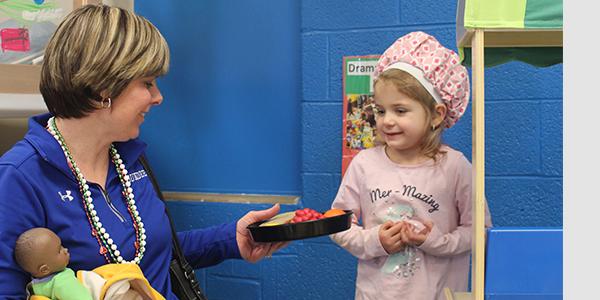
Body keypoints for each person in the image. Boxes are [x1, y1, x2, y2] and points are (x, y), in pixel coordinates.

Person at [0, 4, 286, 298]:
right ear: (103, 88)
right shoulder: (20, 179)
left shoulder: (128, 160)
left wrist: (230, 239)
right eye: (147, 83)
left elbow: (146, 254)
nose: (158, 97)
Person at [329, 31, 492, 300]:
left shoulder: (454, 167)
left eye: (400, 110)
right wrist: (374, 241)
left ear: (436, 115)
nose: (386, 121)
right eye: (380, 110)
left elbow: (480, 233)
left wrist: (436, 242)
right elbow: (337, 224)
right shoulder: (364, 164)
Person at [15, 227, 163, 300]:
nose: (66, 250)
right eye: (59, 250)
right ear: (44, 269)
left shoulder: (35, 287)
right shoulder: (62, 281)